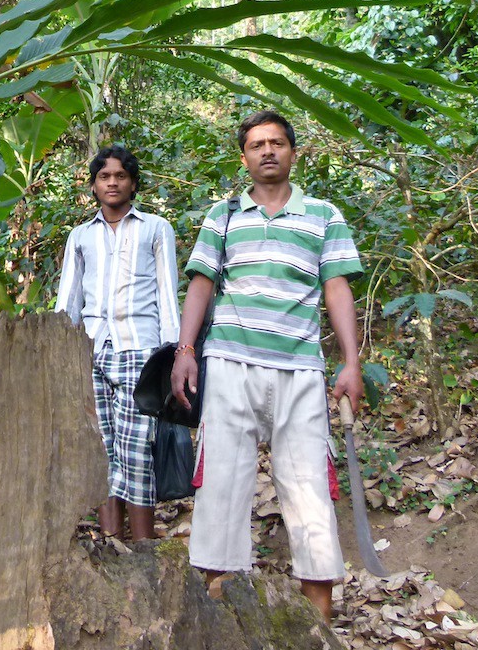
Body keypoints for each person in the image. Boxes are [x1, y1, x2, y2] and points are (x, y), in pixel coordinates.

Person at [171, 110, 364, 623]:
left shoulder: (324, 214)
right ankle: (220, 623)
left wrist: (351, 362)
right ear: (244, 157)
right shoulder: (224, 214)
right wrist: (185, 352)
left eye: (277, 142)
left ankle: (317, 628)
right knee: (220, 488)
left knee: (310, 493)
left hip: (299, 369)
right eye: (257, 144)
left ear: (293, 152)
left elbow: (337, 288)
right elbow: (202, 283)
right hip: (231, 364)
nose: (268, 151)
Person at [55, 145, 179, 541]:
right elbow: (69, 299)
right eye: (104, 177)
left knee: (138, 448)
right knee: (102, 447)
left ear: (133, 183)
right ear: (94, 185)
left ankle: (144, 547)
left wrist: (172, 355)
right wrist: (62, 351)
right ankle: (111, 545)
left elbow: (167, 292)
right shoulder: (81, 235)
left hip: (141, 351)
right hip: (91, 350)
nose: (112, 182)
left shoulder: (155, 228)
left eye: (120, 176)